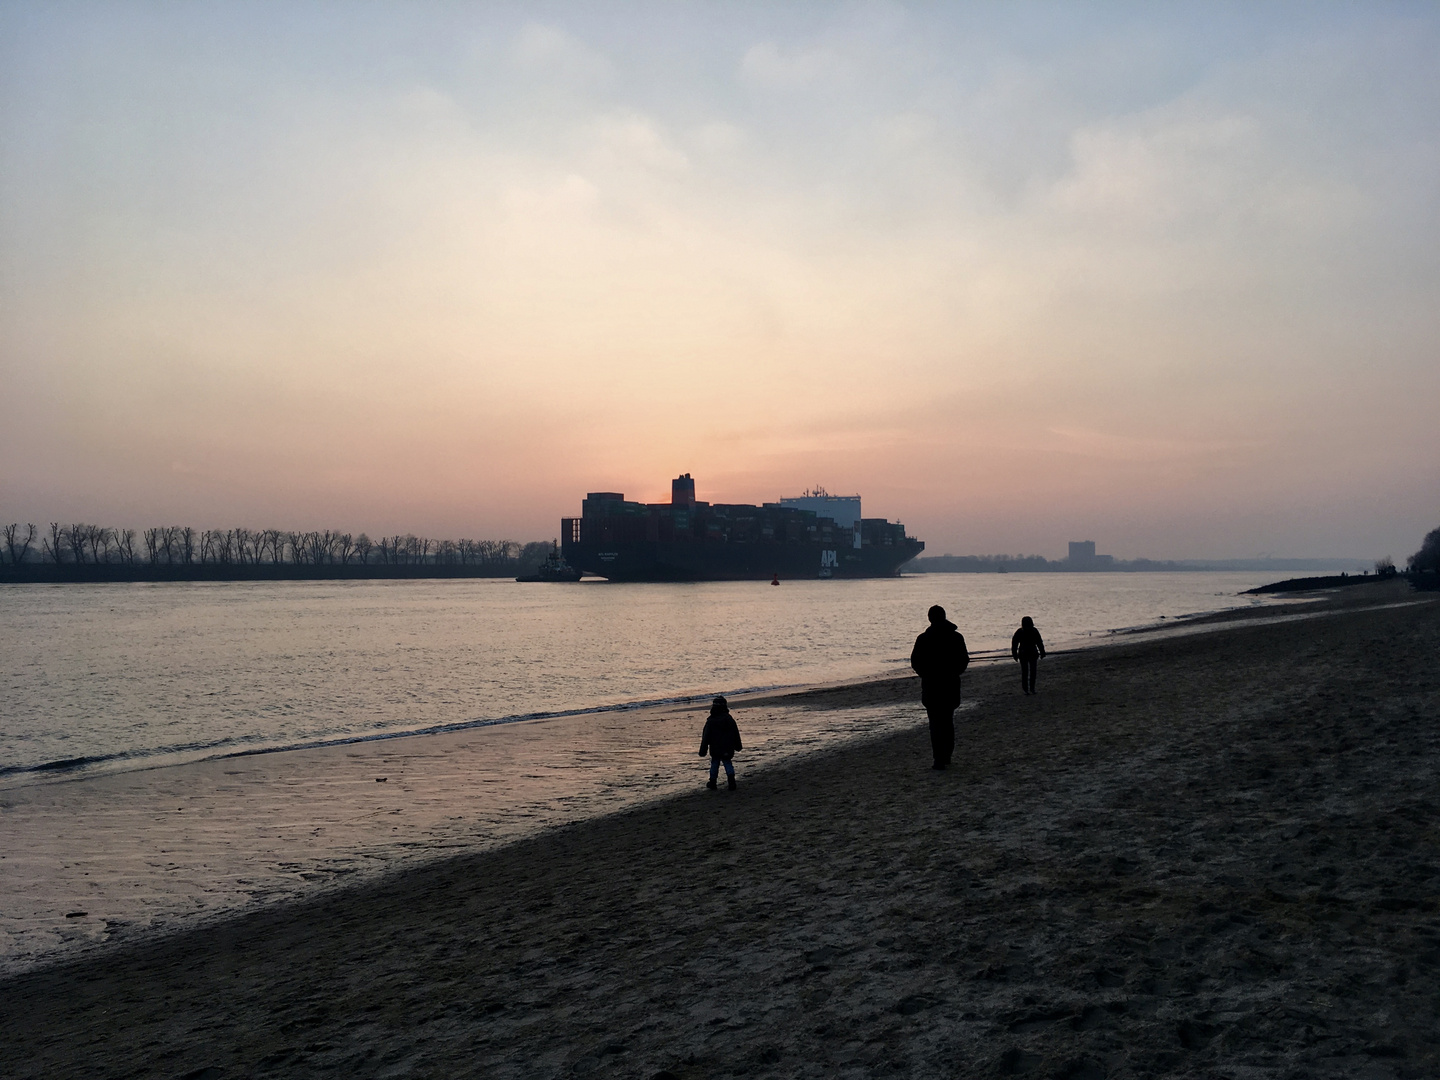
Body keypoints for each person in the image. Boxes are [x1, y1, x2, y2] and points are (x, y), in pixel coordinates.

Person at [910, 605, 969, 770]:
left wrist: (926, 674)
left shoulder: (923, 639)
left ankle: (939, 757)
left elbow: (915, 661)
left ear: (930, 618)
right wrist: (954, 673)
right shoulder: (956, 637)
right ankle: (946, 754)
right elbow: (963, 660)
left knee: (935, 723)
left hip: (932, 685)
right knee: (947, 721)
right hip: (949, 685)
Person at [699, 695, 742, 790]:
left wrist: (703, 750)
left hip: (715, 748)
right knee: (727, 763)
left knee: (715, 764)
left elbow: (705, 737)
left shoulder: (711, 721)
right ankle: (731, 781)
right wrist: (738, 745)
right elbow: (736, 733)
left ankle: (713, 782)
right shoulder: (729, 719)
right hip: (727, 747)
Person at [1011, 616, 1046, 695]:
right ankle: (1029, 689)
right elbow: (1039, 642)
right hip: (1028, 653)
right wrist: (1042, 652)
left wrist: (1015, 654)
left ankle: (1028, 689)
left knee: (1027, 672)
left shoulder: (1021, 632)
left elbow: (1014, 644)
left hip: (1027, 653)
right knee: (1029, 671)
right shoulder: (1032, 631)